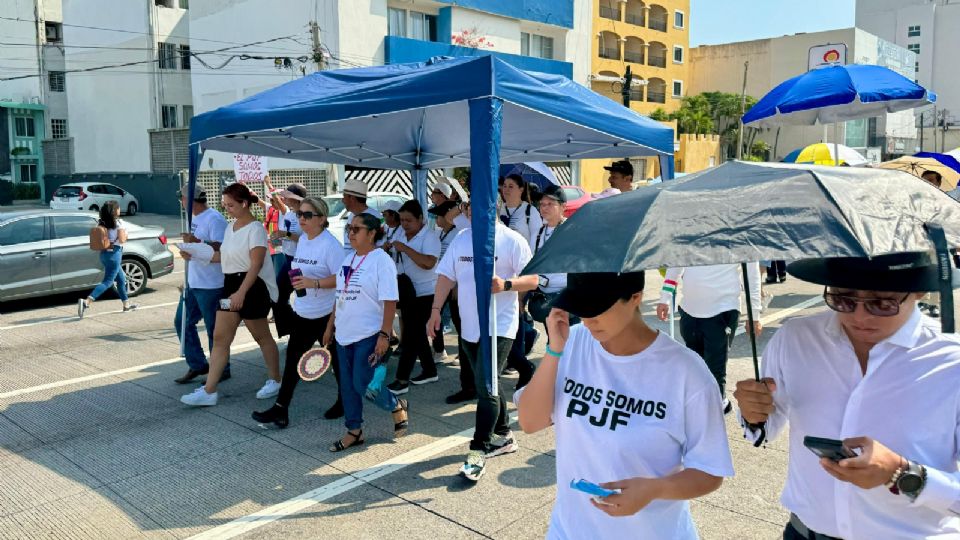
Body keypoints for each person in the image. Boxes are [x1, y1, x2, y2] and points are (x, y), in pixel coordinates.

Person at [734, 252, 960, 539]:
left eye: (882, 302)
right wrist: (753, 413)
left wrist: (902, 474)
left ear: (918, 291)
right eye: (843, 298)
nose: (859, 316)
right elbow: (763, 430)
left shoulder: (952, 363)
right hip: (806, 533)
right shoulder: (795, 338)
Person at [515, 272, 733, 539]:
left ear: (635, 298)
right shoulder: (572, 342)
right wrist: (554, 351)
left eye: (598, 308)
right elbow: (530, 421)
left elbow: (710, 470)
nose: (587, 319)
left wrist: (655, 489)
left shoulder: (687, 374)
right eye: (580, 307)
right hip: (570, 529)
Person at [428, 201, 538, 481]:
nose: (469, 210)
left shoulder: (512, 240)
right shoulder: (462, 239)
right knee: (486, 383)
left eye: (476, 205)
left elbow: (535, 278)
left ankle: (478, 449)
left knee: (486, 387)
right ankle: (504, 435)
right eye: (468, 205)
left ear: (493, 207)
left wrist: (507, 285)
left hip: (499, 325)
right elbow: (445, 276)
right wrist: (435, 312)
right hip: (470, 326)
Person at [180, 183, 282, 407]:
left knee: (261, 336)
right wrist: (195, 254)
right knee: (219, 338)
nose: (227, 209)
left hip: (252, 287)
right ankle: (209, 391)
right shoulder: (230, 227)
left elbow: (255, 265)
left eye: (231, 205)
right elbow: (223, 258)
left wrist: (241, 293)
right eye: (224, 205)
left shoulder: (256, 228)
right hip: (231, 284)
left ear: (244, 203)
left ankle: (275, 379)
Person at [253, 197, 344, 427]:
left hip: (326, 315)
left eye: (307, 215)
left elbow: (342, 279)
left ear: (322, 219)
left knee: (339, 364)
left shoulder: (331, 246)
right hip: (304, 312)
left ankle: (345, 402)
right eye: (300, 214)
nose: (301, 218)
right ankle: (280, 411)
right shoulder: (304, 240)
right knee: (293, 361)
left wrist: (313, 283)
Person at [323, 212, 409, 452]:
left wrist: (384, 334)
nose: (351, 233)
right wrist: (331, 326)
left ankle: (395, 403)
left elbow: (390, 300)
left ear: (372, 233)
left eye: (357, 229)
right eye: (350, 228)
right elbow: (340, 296)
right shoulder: (347, 259)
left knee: (363, 383)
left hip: (369, 334)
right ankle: (354, 431)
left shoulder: (381, 260)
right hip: (343, 334)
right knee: (347, 386)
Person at [656, 263, 762, 414]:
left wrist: (754, 314)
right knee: (695, 367)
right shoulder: (688, 238)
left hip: (723, 310)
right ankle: (703, 410)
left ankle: (717, 412)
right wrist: (665, 297)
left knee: (715, 370)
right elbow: (677, 262)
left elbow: (752, 275)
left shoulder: (742, 239)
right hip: (689, 310)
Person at [174, 185, 230, 384]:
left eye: (181, 197)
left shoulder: (214, 218)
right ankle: (198, 364)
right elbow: (199, 247)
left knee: (214, 329)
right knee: (182, 322)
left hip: (211, 284)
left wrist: (195, 242)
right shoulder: (194, 218)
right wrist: (188, 249)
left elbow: (222, 246)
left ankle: (221, 367)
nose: (180, 201)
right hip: (194, 281)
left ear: (190, 200)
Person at [385, 200, 441, 395]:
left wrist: (405, 249)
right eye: (401, 220)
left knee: (411, 335)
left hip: (427, 292)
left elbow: (428, 263)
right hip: (406, 291)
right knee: (415, 333)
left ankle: (402, 379)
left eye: (409, 220)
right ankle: (429, 370)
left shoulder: (430, 236)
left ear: (420, 219)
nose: (405, 224)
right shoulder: (400, 232)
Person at [498, 174, 542, 387]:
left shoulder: (529, 211)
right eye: (504, 186)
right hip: (502, 272)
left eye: (511, 186)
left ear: (521, 190)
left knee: (517, 312)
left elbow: (535, 242)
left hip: (522, 272)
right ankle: (515, 355)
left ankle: (519, 356)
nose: (506, 189)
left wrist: (529, 272)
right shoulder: (499, 209)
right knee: (508, 315)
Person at [78, 200, 138, 319]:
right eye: (118, 208)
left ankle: (126, 305)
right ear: (115, 210)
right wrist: (126, 235)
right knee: (108, 281)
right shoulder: (118, 223)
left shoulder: (103, 222)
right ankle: (86, 302)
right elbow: (121, 240)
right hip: (114, 254)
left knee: (121, 279)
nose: (120, 209)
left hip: (104, 254)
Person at [527, 185, 574, 337]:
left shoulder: (572, 230)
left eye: (550, 204)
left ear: (563, 207)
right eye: (542, 204)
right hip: (546, 299)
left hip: (568, 298)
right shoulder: (538, 233)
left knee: (569, 343)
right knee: (555, 342)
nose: (544, 207)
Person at [270, 183, 307, 337]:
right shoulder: (290, 214)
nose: (284, 198)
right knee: (277, 296)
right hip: (288, 260)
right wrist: (277, 239)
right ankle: (291, 331)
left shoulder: (306, 214)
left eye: (287, 195)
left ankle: (307, 334)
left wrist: (285, 235)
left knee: (303, 300)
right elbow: (287, 237)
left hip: (301, 263)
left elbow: (308, 239)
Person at [340, 179, 382, 255]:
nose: (342, 200)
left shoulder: (377, 217)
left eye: (344, 197)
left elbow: (380, 246)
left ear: (352, 198)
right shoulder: (351, 215)